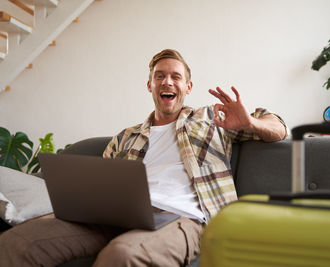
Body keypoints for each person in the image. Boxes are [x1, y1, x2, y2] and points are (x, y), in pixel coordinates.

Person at [0, 49, 286, 267]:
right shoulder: (125, 137)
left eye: (176, 76)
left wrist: (251, 123)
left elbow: (279, 128)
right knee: (18, 243)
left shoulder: (212, 118)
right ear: (149, 85)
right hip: (116, 217)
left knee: (122, 255)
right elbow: (97, 187)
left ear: (188, 87)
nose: (167, 81)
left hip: (183, 217)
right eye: (159, 75)